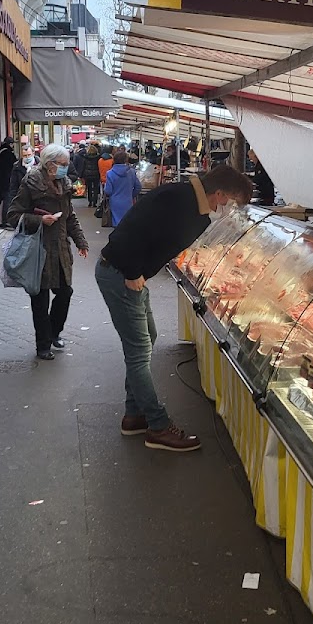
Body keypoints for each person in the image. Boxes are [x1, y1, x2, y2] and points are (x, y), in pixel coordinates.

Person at [97, 164, 253, 452]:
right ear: (219, 194)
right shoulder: (177, 199)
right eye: (232, 203)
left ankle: (134, 414)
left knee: (148, 337)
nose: (229, 209)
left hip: (129, 276)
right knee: (139, 351)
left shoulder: (195, 208)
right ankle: (158, 427)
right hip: (120, 274)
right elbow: (131, 231)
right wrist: (132, 272)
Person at [6, 145, 90, 359]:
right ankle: (42, 345)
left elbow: (70, 217)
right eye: (63, 164)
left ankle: (54, 333)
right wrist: (40, 220)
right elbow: (13, 215)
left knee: (65, 292)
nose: (66, 167)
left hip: (60, 249)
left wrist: (80, 241)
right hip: (38, 250)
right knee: (40, 299)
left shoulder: (64, 183)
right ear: (50, 164)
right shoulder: (31, 182)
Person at [103, 148, 142, 227]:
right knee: (127, 223)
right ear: (126, 160)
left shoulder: (110, 173)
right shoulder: (132, 172)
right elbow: (138, 187)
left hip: (115, 201)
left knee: (116, 224)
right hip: (128, 201)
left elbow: (108, 190)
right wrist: (131, 195)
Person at [0, 137, 17, 227]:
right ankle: (5, 221)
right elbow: (13, 167)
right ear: (11, 144)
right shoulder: (9, 154)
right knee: (7, 200)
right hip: (6, 181)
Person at [83, 142, 102, 207]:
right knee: (96, 188)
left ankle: (90, 202)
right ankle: (95, 202)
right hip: (96, 174)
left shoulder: (85, 157)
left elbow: (83, 166)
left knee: (89, 188)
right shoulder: (98, 157)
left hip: (87, 174)